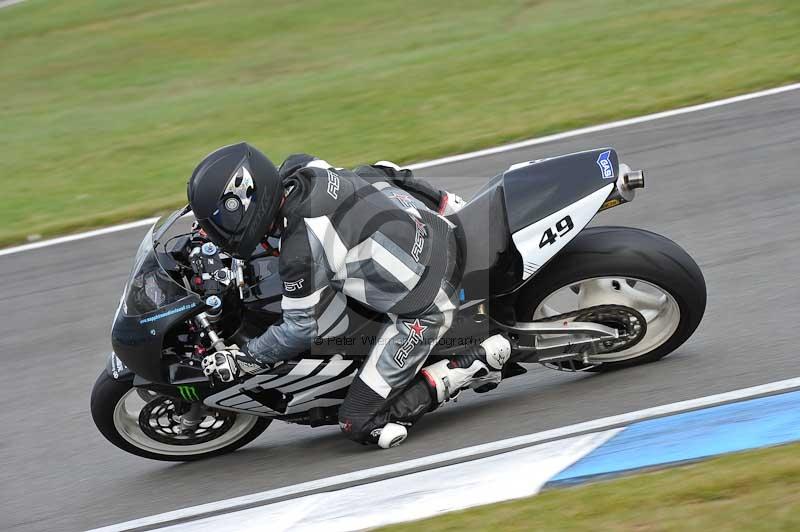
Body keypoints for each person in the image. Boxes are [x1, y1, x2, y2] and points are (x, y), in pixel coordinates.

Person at [190, 142, 511, 448]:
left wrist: (244, 360)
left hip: (430, 303)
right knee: (368, 172)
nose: (212, 232)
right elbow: (379, 173)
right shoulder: (300, 168)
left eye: (218, 223)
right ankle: (448, 203)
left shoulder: (301, 250)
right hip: (427, 225)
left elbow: (300, 329)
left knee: (358, 422)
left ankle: (472, 363)